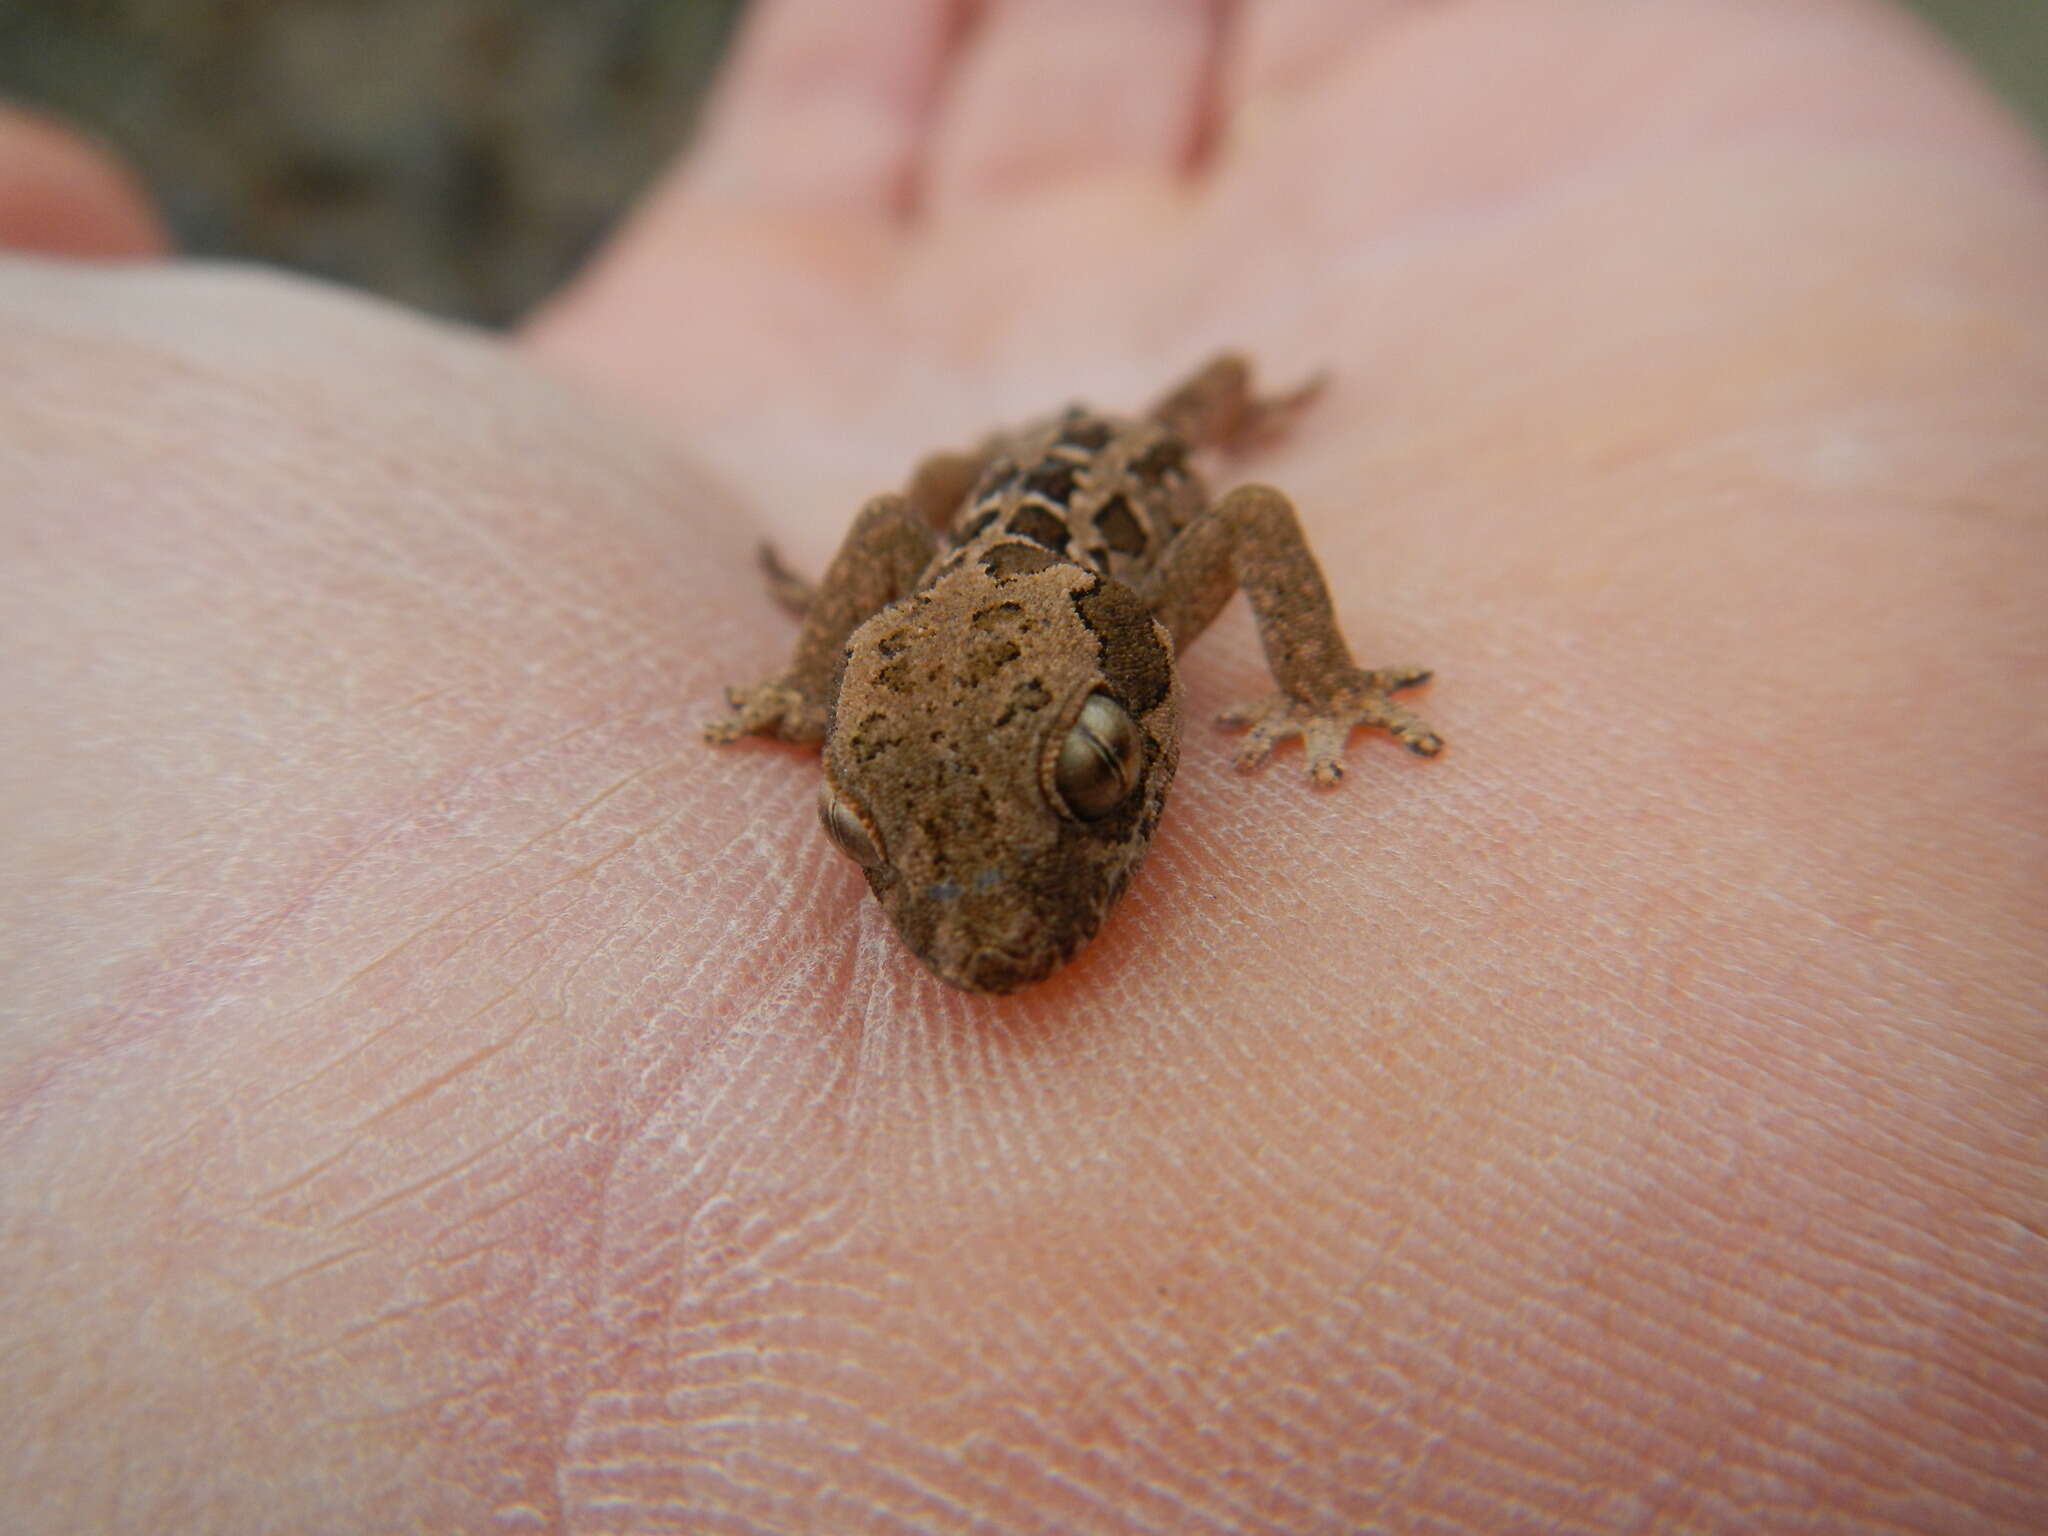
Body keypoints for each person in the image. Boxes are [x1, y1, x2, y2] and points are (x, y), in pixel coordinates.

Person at [3, 1, 2042, 1529]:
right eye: (864, 838)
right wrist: (825, 670)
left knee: (1192, 423)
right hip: (974, 523)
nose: (973, 936)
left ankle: (1223, 390)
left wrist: (1306, 677)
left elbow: (1239, 533)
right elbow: (899, 525)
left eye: (1085, 774)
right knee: (943, 491)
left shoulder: (1154, 579)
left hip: (1096, 466)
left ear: (1123, 688)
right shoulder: (929, 619)